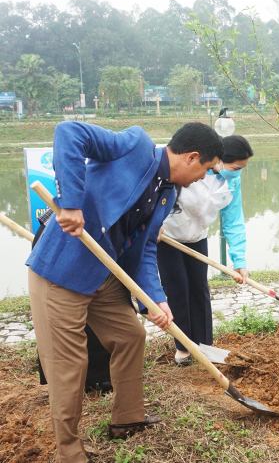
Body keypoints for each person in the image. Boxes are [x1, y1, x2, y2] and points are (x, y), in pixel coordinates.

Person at [26, 121, 223, 462]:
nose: (202, 179)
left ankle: (127, 419)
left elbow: (145, 249)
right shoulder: (134, 146)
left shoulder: (167, 193)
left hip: (103, 276)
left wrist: (155, 300)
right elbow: (69, 133)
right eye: (205, 170)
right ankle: (69, 451)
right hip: (62, 272)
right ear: (192, 158)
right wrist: (71, 202)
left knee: (131, 335)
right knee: (69, 363)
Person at [157, 135, 253, 366]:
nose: (237, 173)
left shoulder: (231, 182)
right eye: (235, 167)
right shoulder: (194, 171)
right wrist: (154, 224)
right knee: (177, 288)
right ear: (219, 160)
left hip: (197, 237)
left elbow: (233, 219)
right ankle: (184, 347)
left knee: (199, 288)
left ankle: (204, 344)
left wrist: (239, 260)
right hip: (167, 237)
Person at [33, 209, 112, 394]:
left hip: (96, 237)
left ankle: (101, 376)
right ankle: (77, 383)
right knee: (65, 316)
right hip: (62, 237)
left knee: (101, 307)